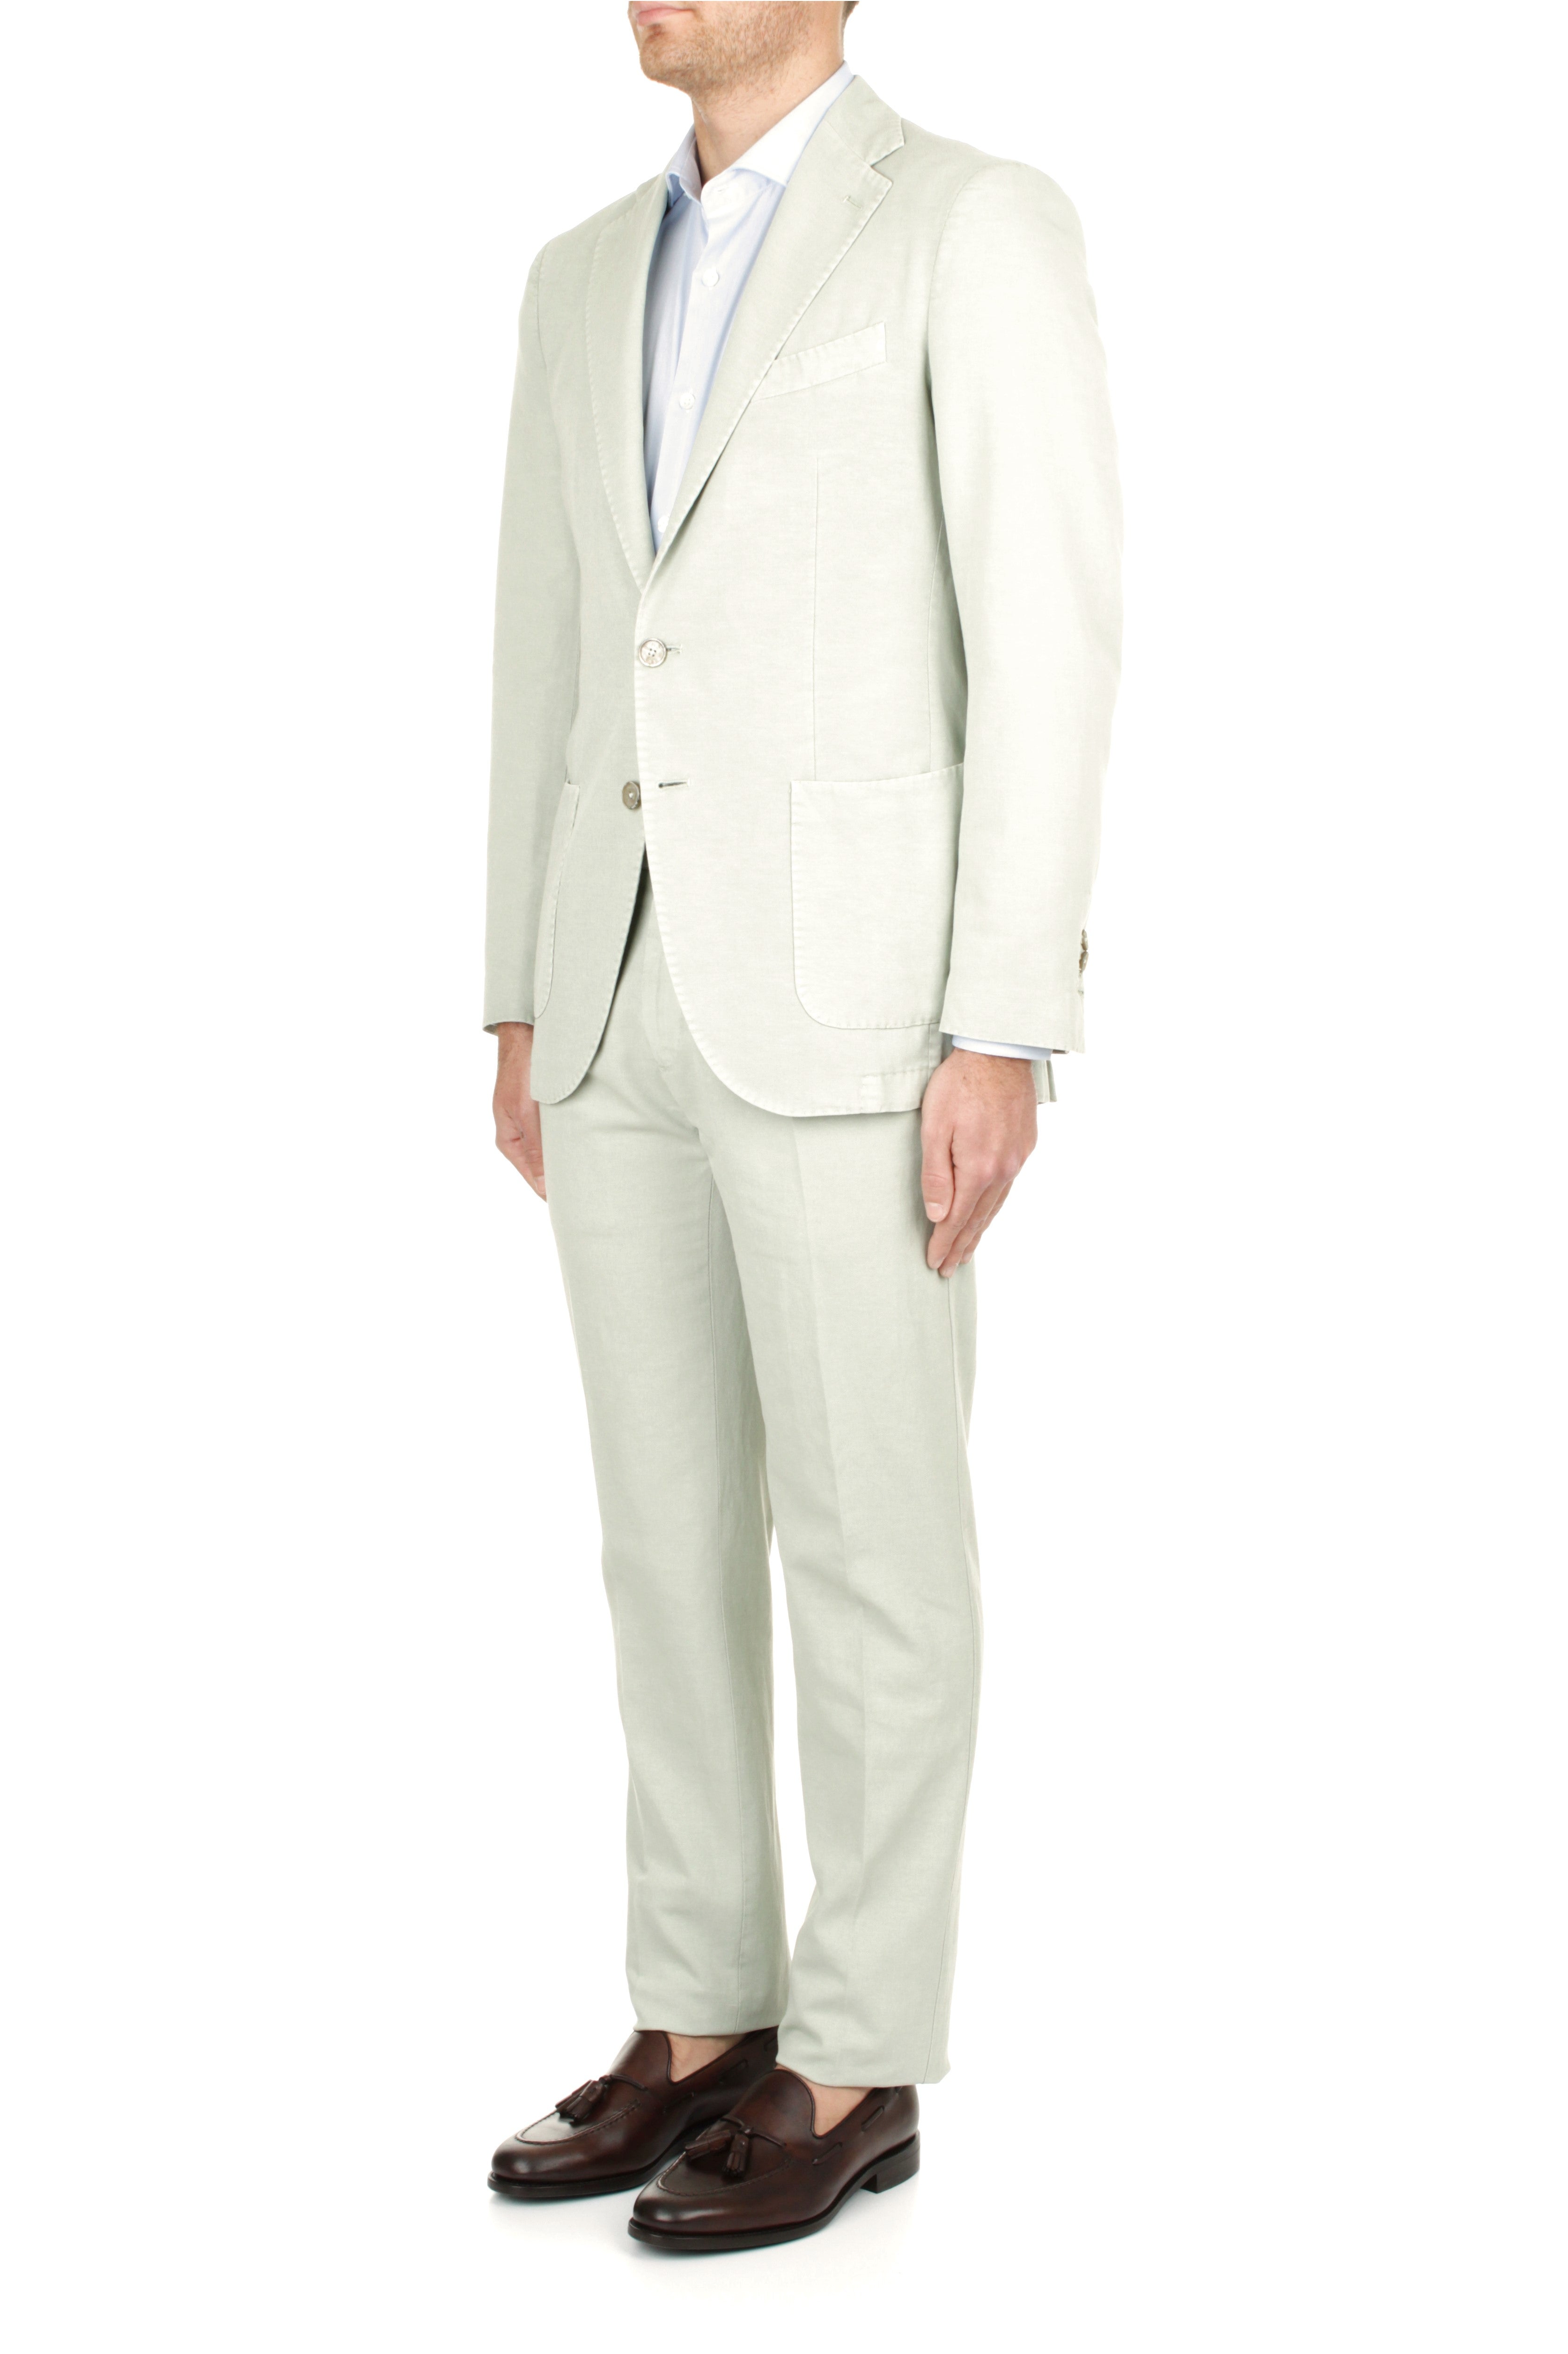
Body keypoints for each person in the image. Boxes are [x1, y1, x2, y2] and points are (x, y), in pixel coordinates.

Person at [484, 0, 1120, 2252]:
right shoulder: (578, 273)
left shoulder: (968, 224)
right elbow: (551, 641)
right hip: (616, 989)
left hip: (864, 1008)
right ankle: (699, 2010)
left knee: (872, 1550)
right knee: (659, 1540)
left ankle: (854, 2054)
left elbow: (1046, 633)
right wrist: (519, 984)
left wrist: (1000, 1022)